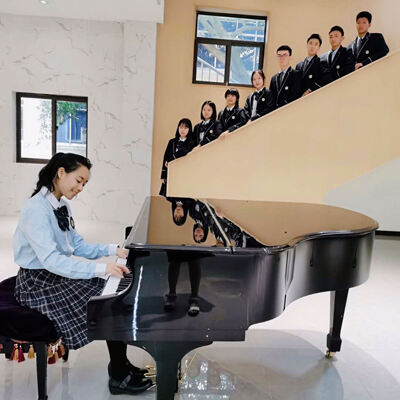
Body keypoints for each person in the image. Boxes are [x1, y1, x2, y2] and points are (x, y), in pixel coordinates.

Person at [13, 152, 152, 395]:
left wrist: (113, 250)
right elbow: (52, 261)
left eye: (84, 184)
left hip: (53, 274)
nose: (80, 188)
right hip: (37, 283)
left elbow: (77, 246)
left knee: (114, 292)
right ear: (61, 173)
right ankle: (119, 374)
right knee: (107, 300)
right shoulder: (36, 209)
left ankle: (120, 365)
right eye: (79, 181)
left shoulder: (61, 206)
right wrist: (102, 268)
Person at [159, 118, 194, 197]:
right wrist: (163, 175)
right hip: (171, 173)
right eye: (181, 127)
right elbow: (165, 157)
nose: (183, 130)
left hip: (183, 173)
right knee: (170, 196)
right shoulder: (172, 142)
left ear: (189, 129)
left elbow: (184, 152)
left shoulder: (191, 142)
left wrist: (171, 159)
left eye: (185, 128)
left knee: (182, 196)